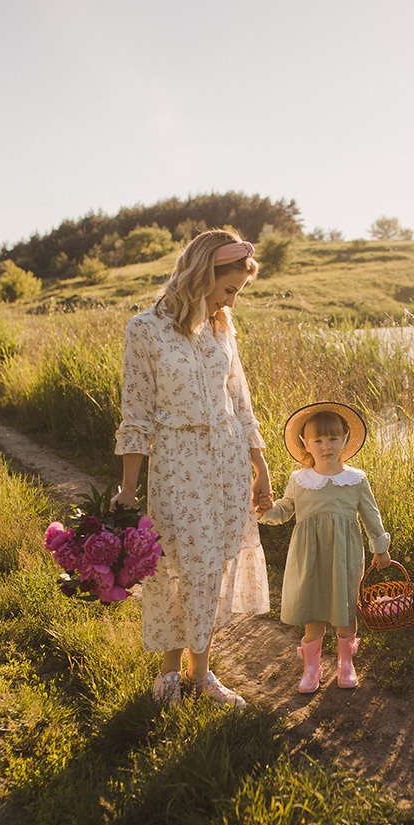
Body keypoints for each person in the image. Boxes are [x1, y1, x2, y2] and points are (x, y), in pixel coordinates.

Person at [113, 229, 272, 708]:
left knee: (212, 567)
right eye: (230, 288)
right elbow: (136, 416)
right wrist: (127, 492)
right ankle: (168, 678)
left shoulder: (223, 328)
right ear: (205, 272)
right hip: (178, 465)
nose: (232, 299)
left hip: (227, 462)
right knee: (177, 568)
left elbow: (240, 401)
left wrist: (260, 464)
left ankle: (201, 675)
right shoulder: (145, 329)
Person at [257, 402, 391, 692]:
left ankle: (346, 664)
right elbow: (285, 510)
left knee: (346, 607)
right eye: (317, 440)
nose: (325, 446)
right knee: (314, 609)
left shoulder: (355, 479)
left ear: (344, 440)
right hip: (310, 556)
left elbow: (371, 514)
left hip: (345, 554)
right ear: (306, 443)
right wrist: (265, 510)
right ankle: (312, 667)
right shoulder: (300, 479)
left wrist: (380, 547)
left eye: (332, 439)